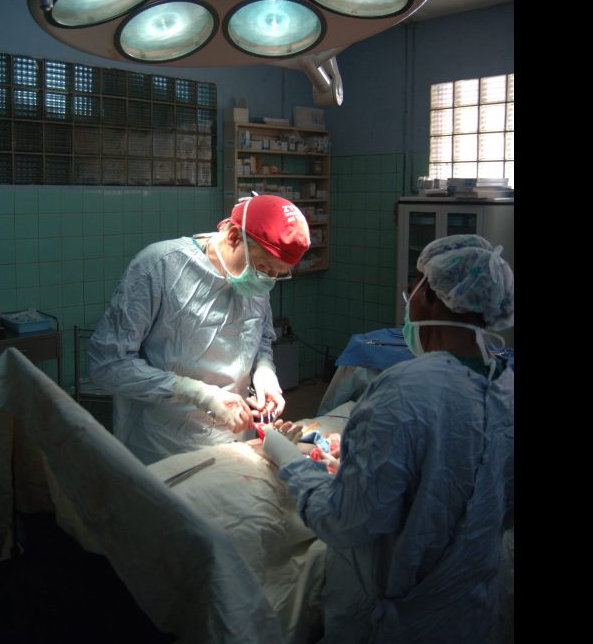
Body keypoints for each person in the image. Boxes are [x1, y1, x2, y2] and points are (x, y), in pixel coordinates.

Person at [262, 234, 514, 643]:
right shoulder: (506, 387)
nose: (408, 294)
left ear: (431, 297)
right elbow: (481, 493)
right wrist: (370, 464)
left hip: (397, 618)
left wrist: (289, 460)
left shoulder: (406, 389)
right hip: (472, 608)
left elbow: (347, 521)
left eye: (414, 284)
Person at [88, 193, 311, 465]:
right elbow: (108, 364)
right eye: (264, 267)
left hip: (235, 440)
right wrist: (198, 393)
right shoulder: (159, 267)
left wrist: (264, 373)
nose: (268, 279)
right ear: (233, 237)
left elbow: (260, 337)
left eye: (278, 273)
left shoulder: (256, 279)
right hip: (163, 443)